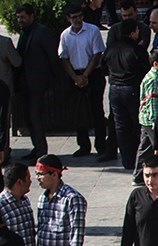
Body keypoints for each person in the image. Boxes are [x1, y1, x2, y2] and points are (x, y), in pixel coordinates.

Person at [58, 3, 107, 158]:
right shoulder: (65, 35)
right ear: (68, 19)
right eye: (74, 17)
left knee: (97, 111)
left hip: (93, 74)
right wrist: (75, 77)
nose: (78, 20)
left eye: (80, 16)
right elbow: (63, 58)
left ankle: (101, 145)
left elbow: (97, 54)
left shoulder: (92, 30)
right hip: (75, 74)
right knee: (79, 112)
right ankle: (83, 146)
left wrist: (85, 75)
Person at [102, 18, 150, 170]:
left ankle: (126, 160)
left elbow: (103, 68)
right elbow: (146, 71)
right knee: (137, 124)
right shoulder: (137, 50)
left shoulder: (110, 49)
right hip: (132, 89)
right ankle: (139, 158)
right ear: (133, 32)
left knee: (120, 126)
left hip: (114, 89)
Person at [14, 4, 59, 164]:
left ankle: (41, 152)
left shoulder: (41, 32)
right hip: (25, 84)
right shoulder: (24, 32)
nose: (20, 20)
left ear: (32, 16)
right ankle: (36, 148)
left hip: (38, 85)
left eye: (23, 17)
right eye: (18, 17)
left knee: (35, 117)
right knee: (28, 118)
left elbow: (52, 58)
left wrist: (52, 81)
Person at [132, 50, 158, 187]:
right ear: (156, 63)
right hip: (151, 121)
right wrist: (156, 123)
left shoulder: (155, 77)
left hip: (146, 119)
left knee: (145, 147)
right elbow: (151, 102)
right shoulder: (153, 79)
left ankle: (137, 176)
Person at [0, 30, 21, 165]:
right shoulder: (4, 42)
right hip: (3, 89)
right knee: (3, 121)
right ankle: (3, 153)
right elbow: (17, 62)